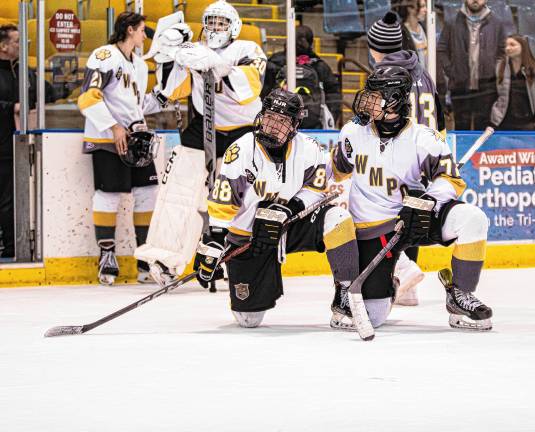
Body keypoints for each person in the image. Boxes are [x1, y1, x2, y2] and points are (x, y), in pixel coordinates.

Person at [330, 65, 493, 331]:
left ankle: (460, 294)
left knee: (472, 219)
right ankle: (390, 282)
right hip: (373, 231)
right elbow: (335, 170)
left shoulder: (423, 138)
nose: (366, 100)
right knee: (373, 316)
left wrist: (427, 201)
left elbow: (450, 180)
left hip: (414, 220)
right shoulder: (352, 132)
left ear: (394, 100)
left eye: (375, 95)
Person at [192, 89, 359, 329]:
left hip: (290, 226)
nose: (272, 125)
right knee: (248, 319)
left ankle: (345, 294)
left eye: (281, 121)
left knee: (337, 217)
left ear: (294, 125)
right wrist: (216, 241)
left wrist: (290, 209)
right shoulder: (241, 151)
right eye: (269, 117)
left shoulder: (309, 149)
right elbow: (222, 204)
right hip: (250, 237)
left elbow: (316, 188)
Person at [134, 0, 267, 285]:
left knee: (241, 198)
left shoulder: (247, 49)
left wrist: (216, 64)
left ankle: (239, 258)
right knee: (179, 192)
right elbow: (173, 90)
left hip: (244, 131)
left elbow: (249, 89)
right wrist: (169, 57)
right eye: (211, 22)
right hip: (203, 127)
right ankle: (166, 258)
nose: (215, 28)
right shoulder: (194, 49)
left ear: (234, 27)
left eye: (221, 23)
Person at [77, 12, 163, 285]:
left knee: (148, 192)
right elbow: (87, 97)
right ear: (129, 30)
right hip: (107, 138)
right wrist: (113, 126)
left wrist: (163, 94)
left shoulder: (138, 64)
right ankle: (107, 258)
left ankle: (144, 260)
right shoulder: (105, 55)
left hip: (136, 140)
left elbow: (135, 105)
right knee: (109, 195)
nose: (144, 36)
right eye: (141, 30)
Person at [368, 10, 446, 306]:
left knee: (380, 219)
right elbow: (439, 118)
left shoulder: (382, 77)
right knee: (413, 218)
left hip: (398, 158)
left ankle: (402, 271)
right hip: (427, 157)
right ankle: (408, 290)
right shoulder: (423, 72)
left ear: (375, 47)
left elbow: (372, 124)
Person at [438, 0, 506, 130]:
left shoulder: (497, 23)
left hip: (487, 87)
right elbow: (441, 49)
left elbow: (502, 52)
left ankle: (483, 152)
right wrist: (451, 71)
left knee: (484, 129)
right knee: (461, 128)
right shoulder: (452, 22)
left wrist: (495, 70)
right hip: (460, 87)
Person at [0, 24, 37, 260]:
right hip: (2, 143)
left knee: (13, 199)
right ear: (3, 46)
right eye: (16, 41)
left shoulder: (25, 71)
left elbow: (44, 93)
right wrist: (11, 107)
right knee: (5, 199)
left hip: (18, 144)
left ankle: (13, 246)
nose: (21, 46)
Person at [262, 25, 341, 129]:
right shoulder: (320, 65)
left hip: (279, 124)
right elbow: (333, 95)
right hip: (313, 125)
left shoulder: (275, 62)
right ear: (311, 43)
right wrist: (331, 118)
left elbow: (264, 92)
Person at [490, 34, 535, 131]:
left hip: (529, 124)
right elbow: (492, 95)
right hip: (503, 123)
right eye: (506, 45)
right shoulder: (499, 67)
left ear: (523, 47)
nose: (508, 48)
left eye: (512, 45)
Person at [395, 0, 429, 70]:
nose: (426, 10)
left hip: (427, 78)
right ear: (410, 9)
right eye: (422, 6)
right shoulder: (401, 34)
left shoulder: (425, 29)